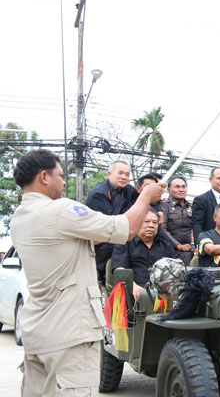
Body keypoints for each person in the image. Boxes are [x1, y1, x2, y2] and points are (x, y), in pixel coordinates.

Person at [9, 149, 164, 396]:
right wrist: (145, 196)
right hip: (69, 333)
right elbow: (123, 228)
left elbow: (81, 243)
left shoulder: (20, 217)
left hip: (38, 330)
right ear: (44, 177)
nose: (64, 181)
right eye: (60, 175)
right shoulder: (60, 210)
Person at [86, 160, 139, 282]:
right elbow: (109, 225)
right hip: (104, 242)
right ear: (109, 174)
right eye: (120, 173)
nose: (124, 177)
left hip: (123, 238)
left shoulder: (129, 191)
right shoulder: (99, 194)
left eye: (127, 174)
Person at [112, 209, 178, 300]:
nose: (151, 225)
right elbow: (120, 269)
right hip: (135, 292)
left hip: (163, 294)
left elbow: (178, 268)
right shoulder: (125, 243)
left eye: (155, 223)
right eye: (146, 221)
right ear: (137, 223)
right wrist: (133, 286)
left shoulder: (166, 246)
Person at [159, 176, 194, 264]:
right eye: (177, 187)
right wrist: (178, 245)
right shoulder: (164, 205)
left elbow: (196, 226)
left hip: (192, 248)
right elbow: (162, 229)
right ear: (169, 190)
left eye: (183, 187)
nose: (181, 189)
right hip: (171, 249)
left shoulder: (192, 206)